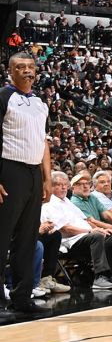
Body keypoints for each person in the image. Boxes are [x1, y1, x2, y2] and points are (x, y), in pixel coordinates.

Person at [0, 52, 53, 320]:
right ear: (10, 71)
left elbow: (43, 141)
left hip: (34, 173)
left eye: (30, 67)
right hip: (9, 170)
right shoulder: (4, 96)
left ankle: (22, 297)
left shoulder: (40, 102)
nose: (27, 71)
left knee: (27, 239)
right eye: (20, 67)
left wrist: (47, 177)